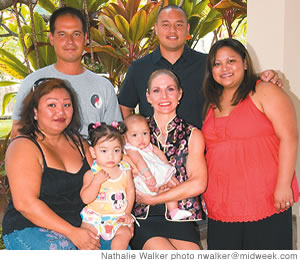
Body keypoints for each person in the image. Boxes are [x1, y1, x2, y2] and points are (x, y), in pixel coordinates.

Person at [201, 38, 299, 250]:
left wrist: (283, 186)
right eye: (217, 64)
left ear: (245, 63)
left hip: (265, 200)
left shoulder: (265, 90)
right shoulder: (211, 101)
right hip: (221, 204)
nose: (224, 68)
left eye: (231, 61)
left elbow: (289, 137)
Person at [118, 5, 282, 129]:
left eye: (179, 25)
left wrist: (262, 77)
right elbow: (125, 107)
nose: (172, 30)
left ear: (187, 29)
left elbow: (235, 82)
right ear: (156, 29)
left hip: (202, 154)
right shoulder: (138, 68)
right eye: (166, 25)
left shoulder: (207, 64)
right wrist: (135, 137)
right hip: (154, 158)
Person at [2, 78, 100, 250]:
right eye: (52, 105)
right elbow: (25, 204)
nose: (60, 112)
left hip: (81, 225)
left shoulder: (81, 144)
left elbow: (101, 184)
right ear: (35, 112)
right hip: (30, 228)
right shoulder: (23, 146)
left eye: (67, 105)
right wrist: (73, 233)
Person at [11, 6, 122, 139]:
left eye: (76, 34)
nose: (70, 41)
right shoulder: (33, 83)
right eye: (62, 34)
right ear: (51, 38)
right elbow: (18, 133)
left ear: (85, 38)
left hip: (94, 158)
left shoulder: (103, 86)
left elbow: (115, 137)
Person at [128, 69, 207, 250]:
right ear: (148, 96)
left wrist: (155, 198)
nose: (164, 96)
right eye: (156, 90)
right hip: (142, 215)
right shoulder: (132, 130)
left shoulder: (192, 134)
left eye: (170, 89)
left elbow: (198, 184)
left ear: (179, 94)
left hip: (179, 215)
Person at [123, 114, 192, 220]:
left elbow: (160, 154)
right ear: (125, 138)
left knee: (172, 190)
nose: (141, 138)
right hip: (145, 177)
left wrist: (167, 166)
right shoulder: (131, 149)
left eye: (145, 133)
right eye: (135, 135)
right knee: (172, 187)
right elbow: (139, 162)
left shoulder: (149, 146)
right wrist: (148, 176)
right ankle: (173, 209)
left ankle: (174, 212)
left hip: (156, 173)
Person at [80, 122, 135, 250]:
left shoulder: (125, 170)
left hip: (118, 216)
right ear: (93, 152)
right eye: (104, 151)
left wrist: (127, 213)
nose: (111, 156)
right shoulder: (91, 174)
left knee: (125, 233)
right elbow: (86, 199)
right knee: (87, 237)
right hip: (94, 216)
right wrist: (96, 182)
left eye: (116, 150)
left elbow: (131, 191)